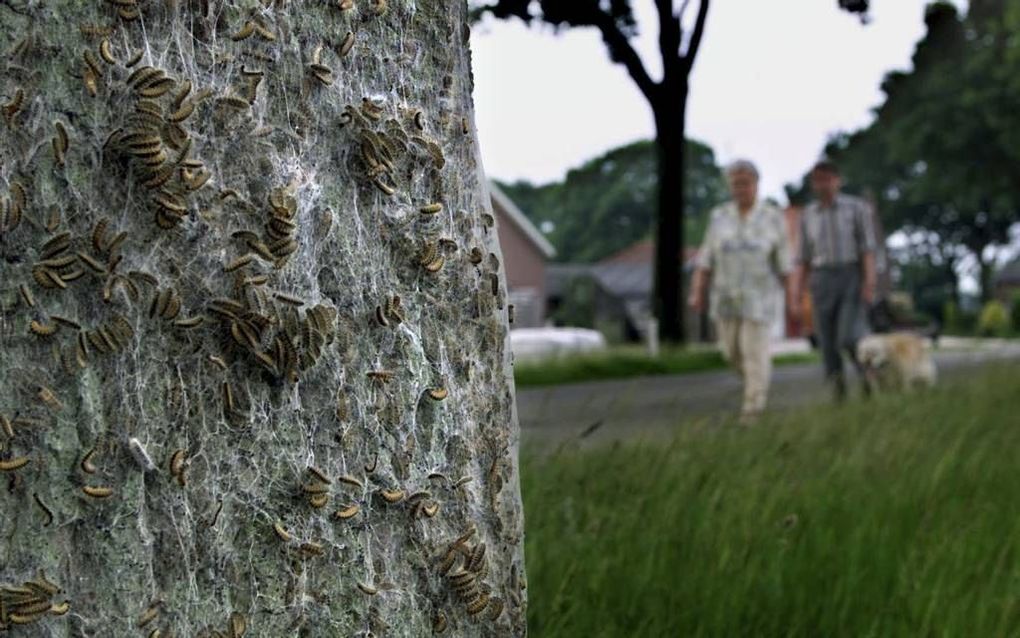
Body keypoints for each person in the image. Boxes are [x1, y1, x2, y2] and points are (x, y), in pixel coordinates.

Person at [688, 160, 793, 423]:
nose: (740, 188)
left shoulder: (772, 217)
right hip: (725, 297)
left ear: (756, 185)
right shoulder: (719, 216)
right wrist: (697, 290)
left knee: (752, 351)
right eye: (735, 184)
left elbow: (785, 264)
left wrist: (793, 299)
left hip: (759, 298)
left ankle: (752, 410)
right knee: (732, 353)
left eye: (745, 183)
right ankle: (756, 387)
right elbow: (705, 258)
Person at [792, 160, 878, 401]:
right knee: (828, 344)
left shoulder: (856, 208)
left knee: (849, 336)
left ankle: (868, 378)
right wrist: (796, 294)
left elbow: (868, 249)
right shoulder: (807, 215)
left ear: (838, 180)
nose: (823, 185)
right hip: (821, 280)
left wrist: (869, 282)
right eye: (818, 180)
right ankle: (837, 394)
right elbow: (802, 258)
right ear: (813, 184)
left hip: (851, 276)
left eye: (828, 179)